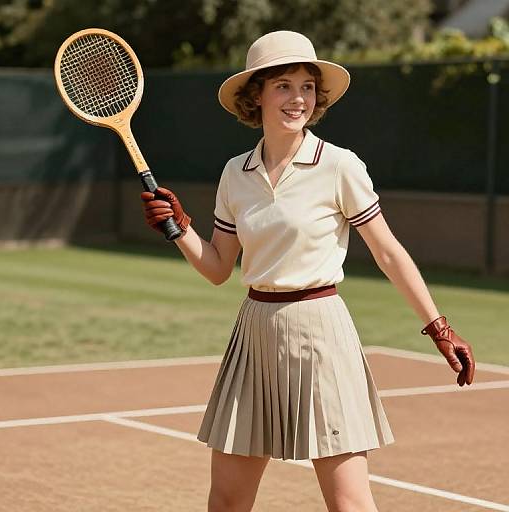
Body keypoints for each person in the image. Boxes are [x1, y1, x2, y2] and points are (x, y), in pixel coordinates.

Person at [140, 30, 475, 512]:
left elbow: (388, 252)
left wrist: (438, 326)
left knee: (348, 503)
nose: (297, 98)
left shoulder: (339, 165)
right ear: (256, 95)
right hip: (253, 333)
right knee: (227, 500)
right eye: (282, 85)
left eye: (306, 86)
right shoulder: (236, 173)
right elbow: (217, 267)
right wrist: (179, 228)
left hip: (321, 334)